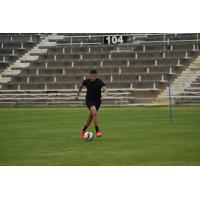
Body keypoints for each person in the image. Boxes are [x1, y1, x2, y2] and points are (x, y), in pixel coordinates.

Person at [75, 68, 108, 141]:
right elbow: (80, 87)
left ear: (96, 76)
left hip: (97, 101)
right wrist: (77, 95)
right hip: (89, 100)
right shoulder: (86, 81)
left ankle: (83, 130)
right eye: (92, 76)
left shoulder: (99, 81)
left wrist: (104, 95)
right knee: (95, 113)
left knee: (90, 117)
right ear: (90, 75)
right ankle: (97, 131)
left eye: (94, 76)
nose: (93, 77)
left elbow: (105, 89)